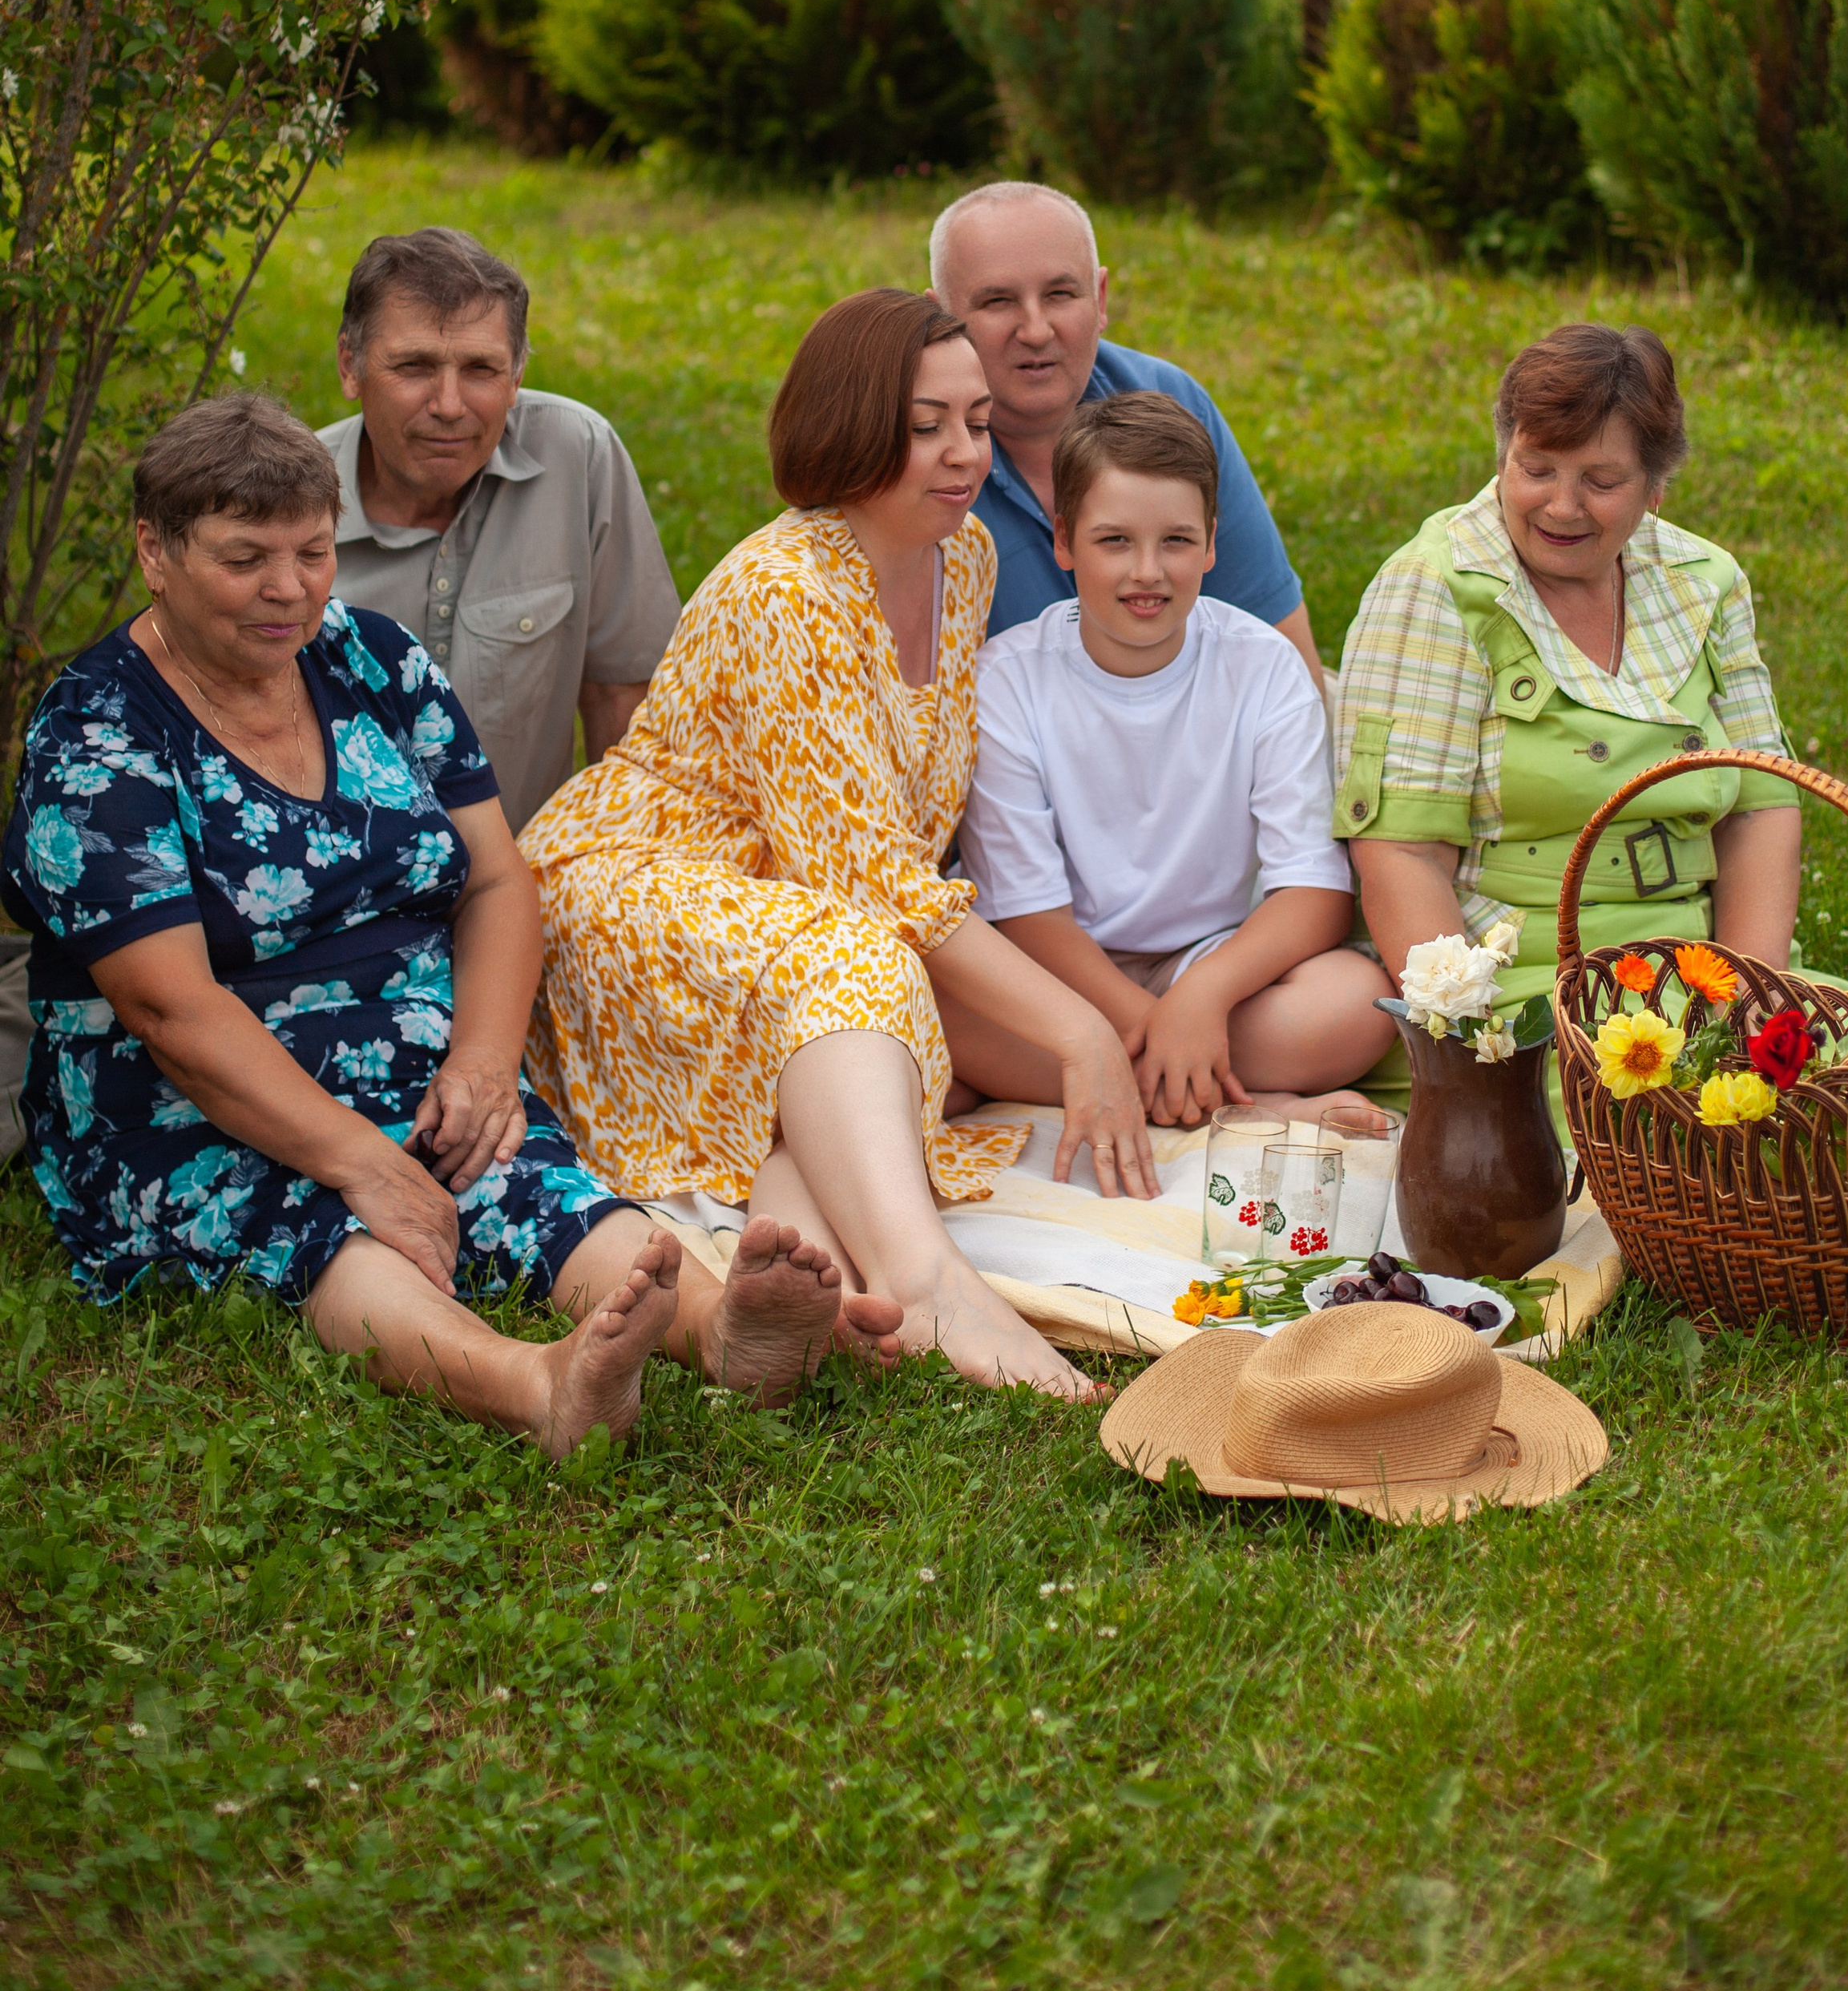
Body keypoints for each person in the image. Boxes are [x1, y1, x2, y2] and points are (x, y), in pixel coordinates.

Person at [0, 395, 894, 1455]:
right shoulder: (96, 732)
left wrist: (479, 1061)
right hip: (192, 1090)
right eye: (246, 559)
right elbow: (168, 1003)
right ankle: (534, 1386)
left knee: (523, 1171)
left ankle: (723, 1328)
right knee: (323, 1222)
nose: (289, 590)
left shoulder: (370, 660)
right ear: (156, 553)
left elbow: (496, 883)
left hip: (407, 1048)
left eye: (312, 552)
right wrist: (363, 1163)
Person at [521, 289, 1163, 1400]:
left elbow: (889, 845)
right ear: (854, 424)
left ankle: (789, 1278)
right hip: (629, 887)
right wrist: (1082, 1031)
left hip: (783, 911)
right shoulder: (791, 585)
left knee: (878, 1030)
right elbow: (866, 879)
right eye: (926, 425)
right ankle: (926, 1286)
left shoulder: (963, 566)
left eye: (976, 420)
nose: (964, 454)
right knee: (864, 963)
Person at [1334, 324, 1801, 1033]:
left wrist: (1749, 1011)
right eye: (1537, 469)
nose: (1561, 505)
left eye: (1602, 482)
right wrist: (1474, 1049)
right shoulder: (1435, 587)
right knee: (1668, 1132)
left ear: (1656, 487)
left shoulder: (1704, 584)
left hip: (1701, 970)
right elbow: (1400, 855)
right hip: (1527, 996)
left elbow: (1763, 809)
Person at [954, 393, 1397, 1129]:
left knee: (1357, 1002)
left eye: (1177, 542)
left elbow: (1314, 893)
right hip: (1057, 976)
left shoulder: (1265, 668)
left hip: (1216, 965)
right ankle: (1248, 1102)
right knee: (942, 1013)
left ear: (1213, 544)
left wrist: (1201, 999)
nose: (1148, 572)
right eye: (1115, 541)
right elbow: (1030, 914)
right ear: (1064, 542)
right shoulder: (1005, 680)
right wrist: (1153, 1025)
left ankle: (1137, 1076)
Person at [318, 228, 680, 834]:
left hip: (534, 876)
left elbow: (627, 704)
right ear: (351, 367)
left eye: (481, 369)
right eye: (414, 367)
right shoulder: (285, 504)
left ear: (516, 377)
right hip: (345, 907)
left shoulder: (577, 455)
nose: (450, 404)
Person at [929, 181, 1324, 683]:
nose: (1035, 330)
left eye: (1060, 294)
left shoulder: (1170, 402)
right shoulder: (911, 456)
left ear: (1099, 298)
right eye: (997, 301)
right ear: (941, 318)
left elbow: (1282, 655)